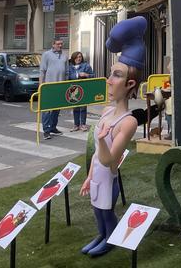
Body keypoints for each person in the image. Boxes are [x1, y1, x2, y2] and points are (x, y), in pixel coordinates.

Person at [79, 17, 144, 258]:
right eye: (110, 73)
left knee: (106, 211)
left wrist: (102, 138)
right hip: (97, 176)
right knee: (97, 210)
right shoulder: (106, 112)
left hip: (108, 179)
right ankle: (101, 235)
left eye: (116, 75)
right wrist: (88, 177)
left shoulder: (128, 122)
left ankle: (110, 238)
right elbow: (97, 156)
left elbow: (109, 160)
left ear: (129, 83)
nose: (109, 80)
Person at [39, 38, 68, 140]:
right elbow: (42, 71)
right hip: (48, 86)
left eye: (61, 44)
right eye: (58, 44)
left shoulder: (64, 55)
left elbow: (67, 72)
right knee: (47, 110)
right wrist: (41, 86)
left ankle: (53, 127)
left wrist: (66, 85)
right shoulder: (46, 54)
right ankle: (46, 131)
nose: (60, 45)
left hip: (60, 86)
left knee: (56, 109)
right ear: (53, 44)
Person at [68, 51, 93, 132]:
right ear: (73, 58)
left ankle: (83, 124)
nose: (78, 59)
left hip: (83, 88)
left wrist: (87, 75)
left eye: (80, 57)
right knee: (75, 107)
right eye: (77, 57)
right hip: (73, 88)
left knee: (83, 107)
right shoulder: (70, 67)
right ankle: (76, 125)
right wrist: (78, 75)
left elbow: (93, 75)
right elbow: (69, 76)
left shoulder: (86, 65)